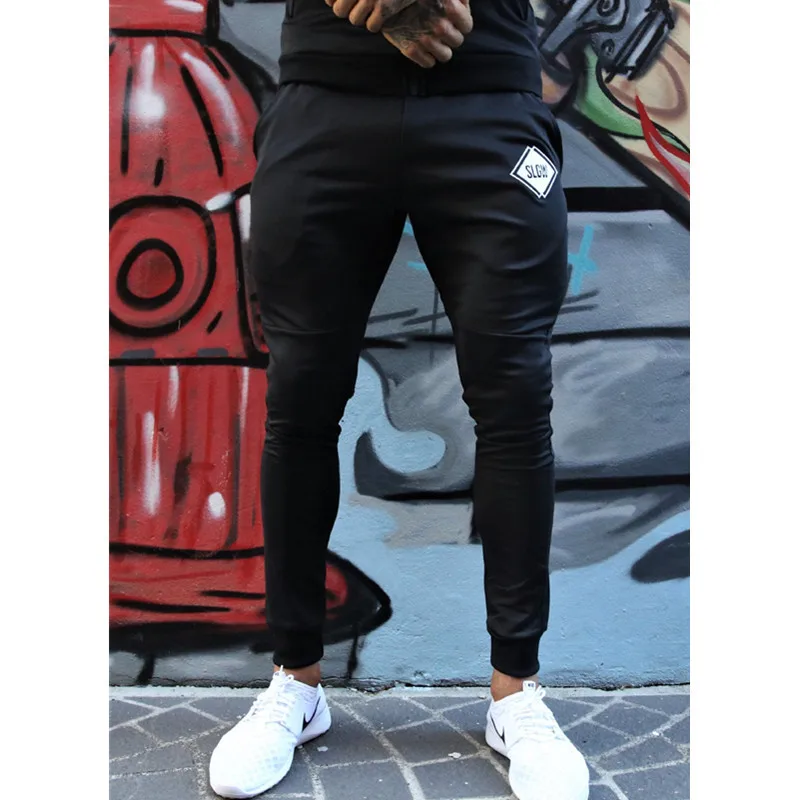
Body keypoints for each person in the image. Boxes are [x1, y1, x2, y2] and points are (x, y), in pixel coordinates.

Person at [209, 1, 590, 798]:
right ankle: (296, 684)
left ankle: (515, 694)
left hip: (489, 94)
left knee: (515, 404)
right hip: (326, 94)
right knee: (301, 403)